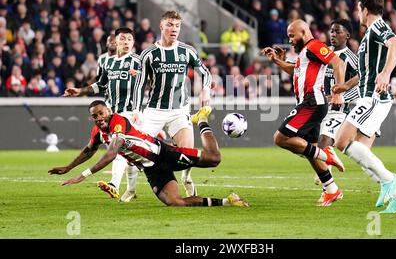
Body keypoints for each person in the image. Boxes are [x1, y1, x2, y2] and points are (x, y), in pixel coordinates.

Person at [48, 100, 249, 207]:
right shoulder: (99, 132)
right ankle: (228, 201)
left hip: (164, 153)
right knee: (174, 202)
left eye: (101, 113)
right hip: (151, 168)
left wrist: (82, 176)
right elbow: (88, 150)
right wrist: (67, 167)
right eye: (94, 116)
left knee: (214, 159)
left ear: (108, 111)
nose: (99, 118)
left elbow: (110, 154)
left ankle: (202, 119)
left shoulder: (118, 121)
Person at [333, 0, 396, 214]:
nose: (357, 13)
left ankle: (390, 180)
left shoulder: (377, 26)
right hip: (368, 94)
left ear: (365, 10)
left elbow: (395, 45)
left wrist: (386, 73)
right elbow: (366, 71)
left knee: (341, 141)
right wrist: (345, 86)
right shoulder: (370, 34)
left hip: (374, 97)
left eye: (358, 9)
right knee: (362, 153)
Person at [261, 19, 347, 207]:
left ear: (303, 32)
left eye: (292, 35)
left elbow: (337, 62)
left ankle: (327, 156)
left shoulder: (315, 45)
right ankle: (331, 190)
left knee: (280, 138)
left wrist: (338, 91)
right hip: (309, 103)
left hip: (312, 102)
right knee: (309, 149)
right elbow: (295, 70)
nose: (290, 39)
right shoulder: (305, 53)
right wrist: (278, 61)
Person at [63, 27, 143, 203]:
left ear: (133, 42)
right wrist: (80, 90)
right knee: (127, 154)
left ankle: (114, 184)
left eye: (130, 39)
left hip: (131, 112)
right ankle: (130, 190)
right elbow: (100, 85)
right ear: (116, 41)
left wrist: (142, 77)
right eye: (123, 39)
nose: (126, 42)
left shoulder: (138, 61)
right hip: (112, 113)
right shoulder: (108, 62)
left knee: (121, 149)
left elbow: (153, 79)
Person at [137, 11, 212, 198]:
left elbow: (206, 74)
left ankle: (187, 178)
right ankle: (130, 189)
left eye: (177, 26)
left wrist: (206, 90)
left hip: (179, 110)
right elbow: (139, 86)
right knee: (138, 153)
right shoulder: (148, 54)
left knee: (187, 155)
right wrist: (136, 111)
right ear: (161, 26)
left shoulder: (187, 51)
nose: (174, 29)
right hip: (154, 111)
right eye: (170, 25)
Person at [313, 19, 359, 185]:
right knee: (307, 145)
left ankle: (329, 186)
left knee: (324, 141)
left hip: (339, 111)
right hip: (320, 109)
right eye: (331, 31)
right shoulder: (324, 54)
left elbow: (363, 81)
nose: (333, 35)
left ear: (347, 35)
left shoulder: (350, 58)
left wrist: (341, 97)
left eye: (337, 31)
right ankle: (329, 162)